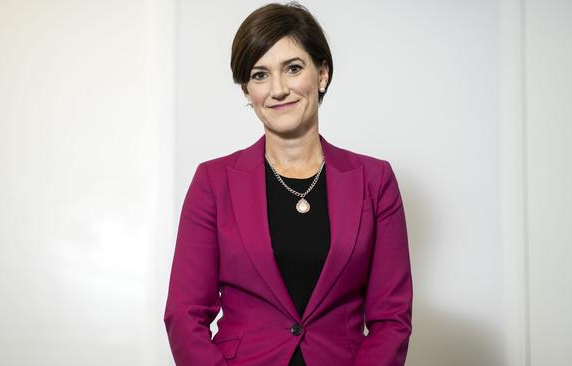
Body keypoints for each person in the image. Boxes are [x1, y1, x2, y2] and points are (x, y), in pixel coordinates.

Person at [164, 2, 412, 365]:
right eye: (260, 75)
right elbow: (183, 316)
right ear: (247, 91)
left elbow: (392, 318)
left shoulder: (375, 181)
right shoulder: (212, 182)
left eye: (293, 68)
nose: (278, 89)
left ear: (322, 73)